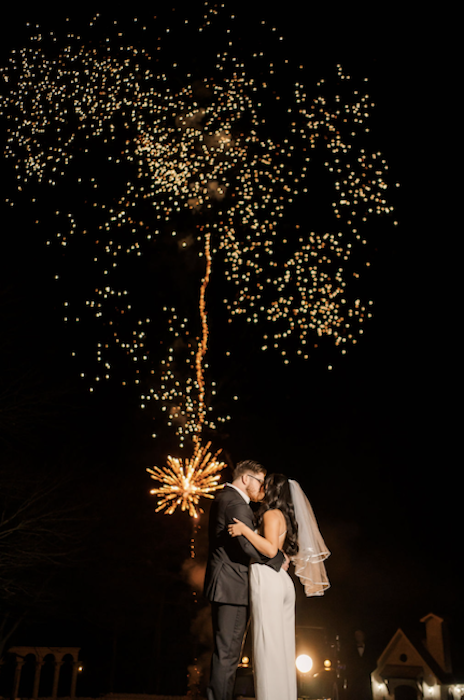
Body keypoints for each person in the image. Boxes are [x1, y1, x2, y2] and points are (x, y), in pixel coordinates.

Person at [228, 474, 330, 700]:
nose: (261, 488)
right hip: (281, 582)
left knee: (268, 647)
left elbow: (271, 550)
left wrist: (244, 531)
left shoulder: (272, 514)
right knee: (282, 649)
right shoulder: (285, 517)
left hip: (268, 580)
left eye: (266, 486)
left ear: (273, 491)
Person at [203, 460, 285, 700]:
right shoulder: (237, 504)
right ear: (246, 479)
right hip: (233, 587)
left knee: (224, 654)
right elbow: (248, 546)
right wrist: (278, 558)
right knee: (228, 655)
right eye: (260, 481)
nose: (263, 488)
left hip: (224, 584)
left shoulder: (224, 497)